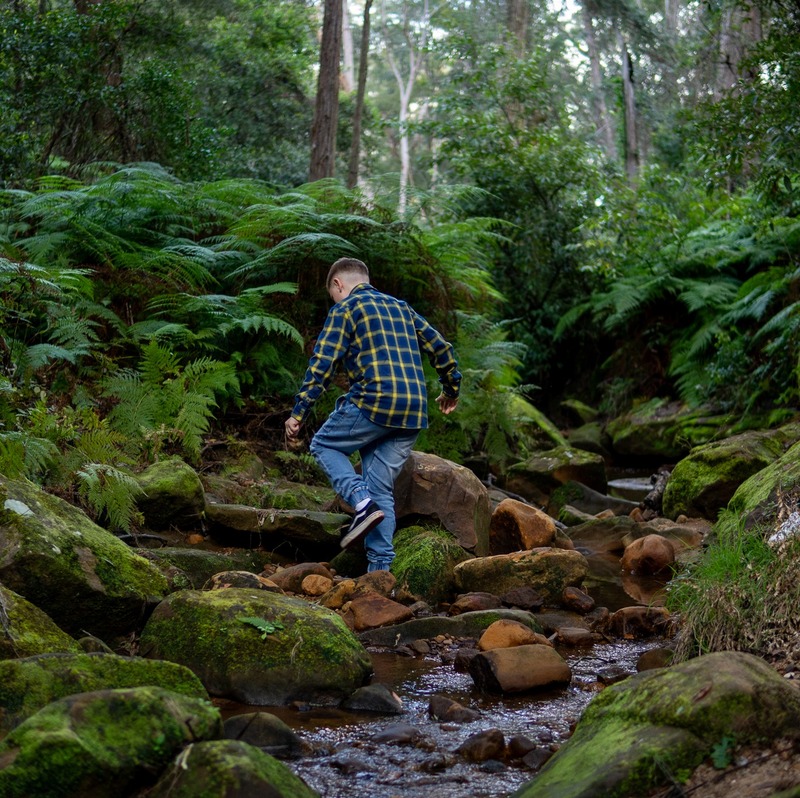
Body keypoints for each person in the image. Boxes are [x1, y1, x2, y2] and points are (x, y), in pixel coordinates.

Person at [285, 257, 461, 573]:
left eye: (333, 295)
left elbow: (322, 364)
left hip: (375, 402)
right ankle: (380, 573)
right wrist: (451, 389)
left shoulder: (346, 308)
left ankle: (361, 501)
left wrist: (299, 412)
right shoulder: (402, 308)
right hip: (412, 412)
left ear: (338, 284)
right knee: (382, 489)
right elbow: (442, 349)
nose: (335, 301)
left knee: (325, 445)